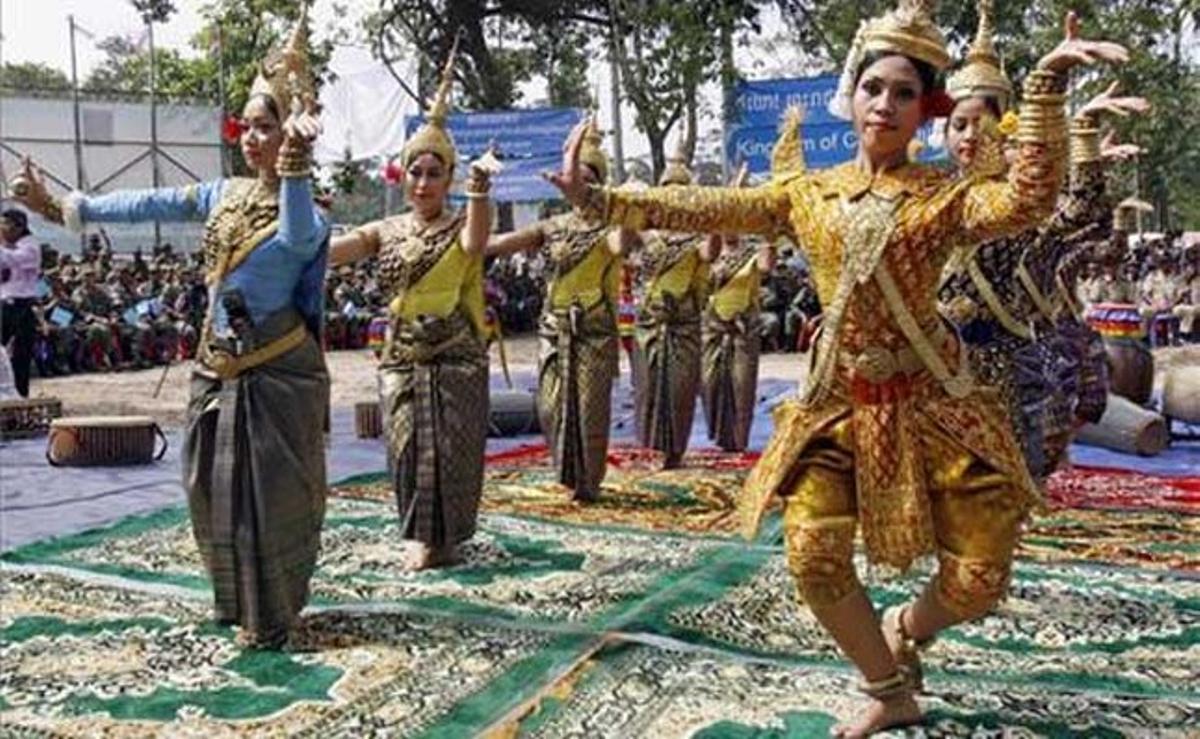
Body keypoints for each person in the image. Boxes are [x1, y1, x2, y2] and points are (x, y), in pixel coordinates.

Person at [543, 1, 1126, 733]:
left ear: (927, 111)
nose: (885, 104)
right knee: (815, 558)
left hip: (934, 401)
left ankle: (909, 627)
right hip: (837, 402)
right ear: (850, 97)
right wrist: (602, 199)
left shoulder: (944, 197)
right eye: (873, 87)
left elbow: (1025, 203)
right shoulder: (806, 194)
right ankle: (887, 688)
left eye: (905, 93)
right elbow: (707, 206)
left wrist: (1043, 92)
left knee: (977, 581)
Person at [11, 12, 330, 649]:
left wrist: (294, 167)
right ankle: (232, 599)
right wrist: (61, 206)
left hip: (277, 371)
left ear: (293, 134)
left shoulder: (309, 212)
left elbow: (296, 240)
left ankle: (274, 614)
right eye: (249, 127)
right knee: (205, 485)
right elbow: (146, 202)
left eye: (268, 128)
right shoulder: (222, 194)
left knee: (273, 495)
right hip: (214, 366)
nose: (254, 139)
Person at [937, 2, 1146, 479]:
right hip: (938, 365)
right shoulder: (930, 197)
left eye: (980, 122)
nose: (969, 134)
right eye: (958, 124)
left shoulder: (1021, 206)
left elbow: (1080, 214)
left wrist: (1082, 131)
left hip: (1007, 366)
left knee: (1007, 493)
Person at [328, 40, 495, 570]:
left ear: (448, 178)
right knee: (404, 448)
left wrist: (480, 194)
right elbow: (330, 253)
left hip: (456, 355)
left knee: (452, 451)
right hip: (401, 356)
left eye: (434, 173)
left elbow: (476, 241)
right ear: (404, 177)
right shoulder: (387, 229)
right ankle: (418, 533)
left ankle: (445, 537)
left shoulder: (458, 226)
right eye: (415, 173)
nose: (423, 183)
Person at [486, 118, 630, 501]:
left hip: (593, 332)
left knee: (590, 411)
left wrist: (628, 209)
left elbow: (624, 244)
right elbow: (497, 244)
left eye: (585, 177)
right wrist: (477, 194)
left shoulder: (608, 229)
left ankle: (590, 484)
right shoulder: (552, 227)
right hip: (553, 332)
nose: (575, 184)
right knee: (550, 409)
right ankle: (568, 475)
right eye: (573, 176)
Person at [631, 127, 720, 469]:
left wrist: (714, 220)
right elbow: (625, 230)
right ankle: (651, 448)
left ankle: (675, 450)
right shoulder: (648, 235)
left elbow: (710, 253)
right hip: (650, 323)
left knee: (680, 390)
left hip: (682, 324)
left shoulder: (695, 239)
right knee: (649, 388)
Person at [0, 208, 41, 397]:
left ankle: (20, 397)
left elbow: (14, 260)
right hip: (6, 303)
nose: (2, 227)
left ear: (19, 227)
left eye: (5, 224)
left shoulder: (30, 246)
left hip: (19, 304)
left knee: (22, 354)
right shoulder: (7, 245)